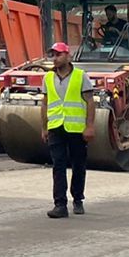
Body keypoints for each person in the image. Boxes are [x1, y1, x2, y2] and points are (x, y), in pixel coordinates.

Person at [43, 41, 96, 217]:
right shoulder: (48, 78)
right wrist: (44, 127)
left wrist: (89, 126)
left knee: (78, 165)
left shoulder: (81, 76)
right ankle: (60, 204)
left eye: (59, 54)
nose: (55, 58)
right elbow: (45, 103)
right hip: (56, 127)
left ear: (68, 56)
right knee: (58, 165)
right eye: (53, 55)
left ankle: (78, 198)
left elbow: (90, 101)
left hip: (76, 128)